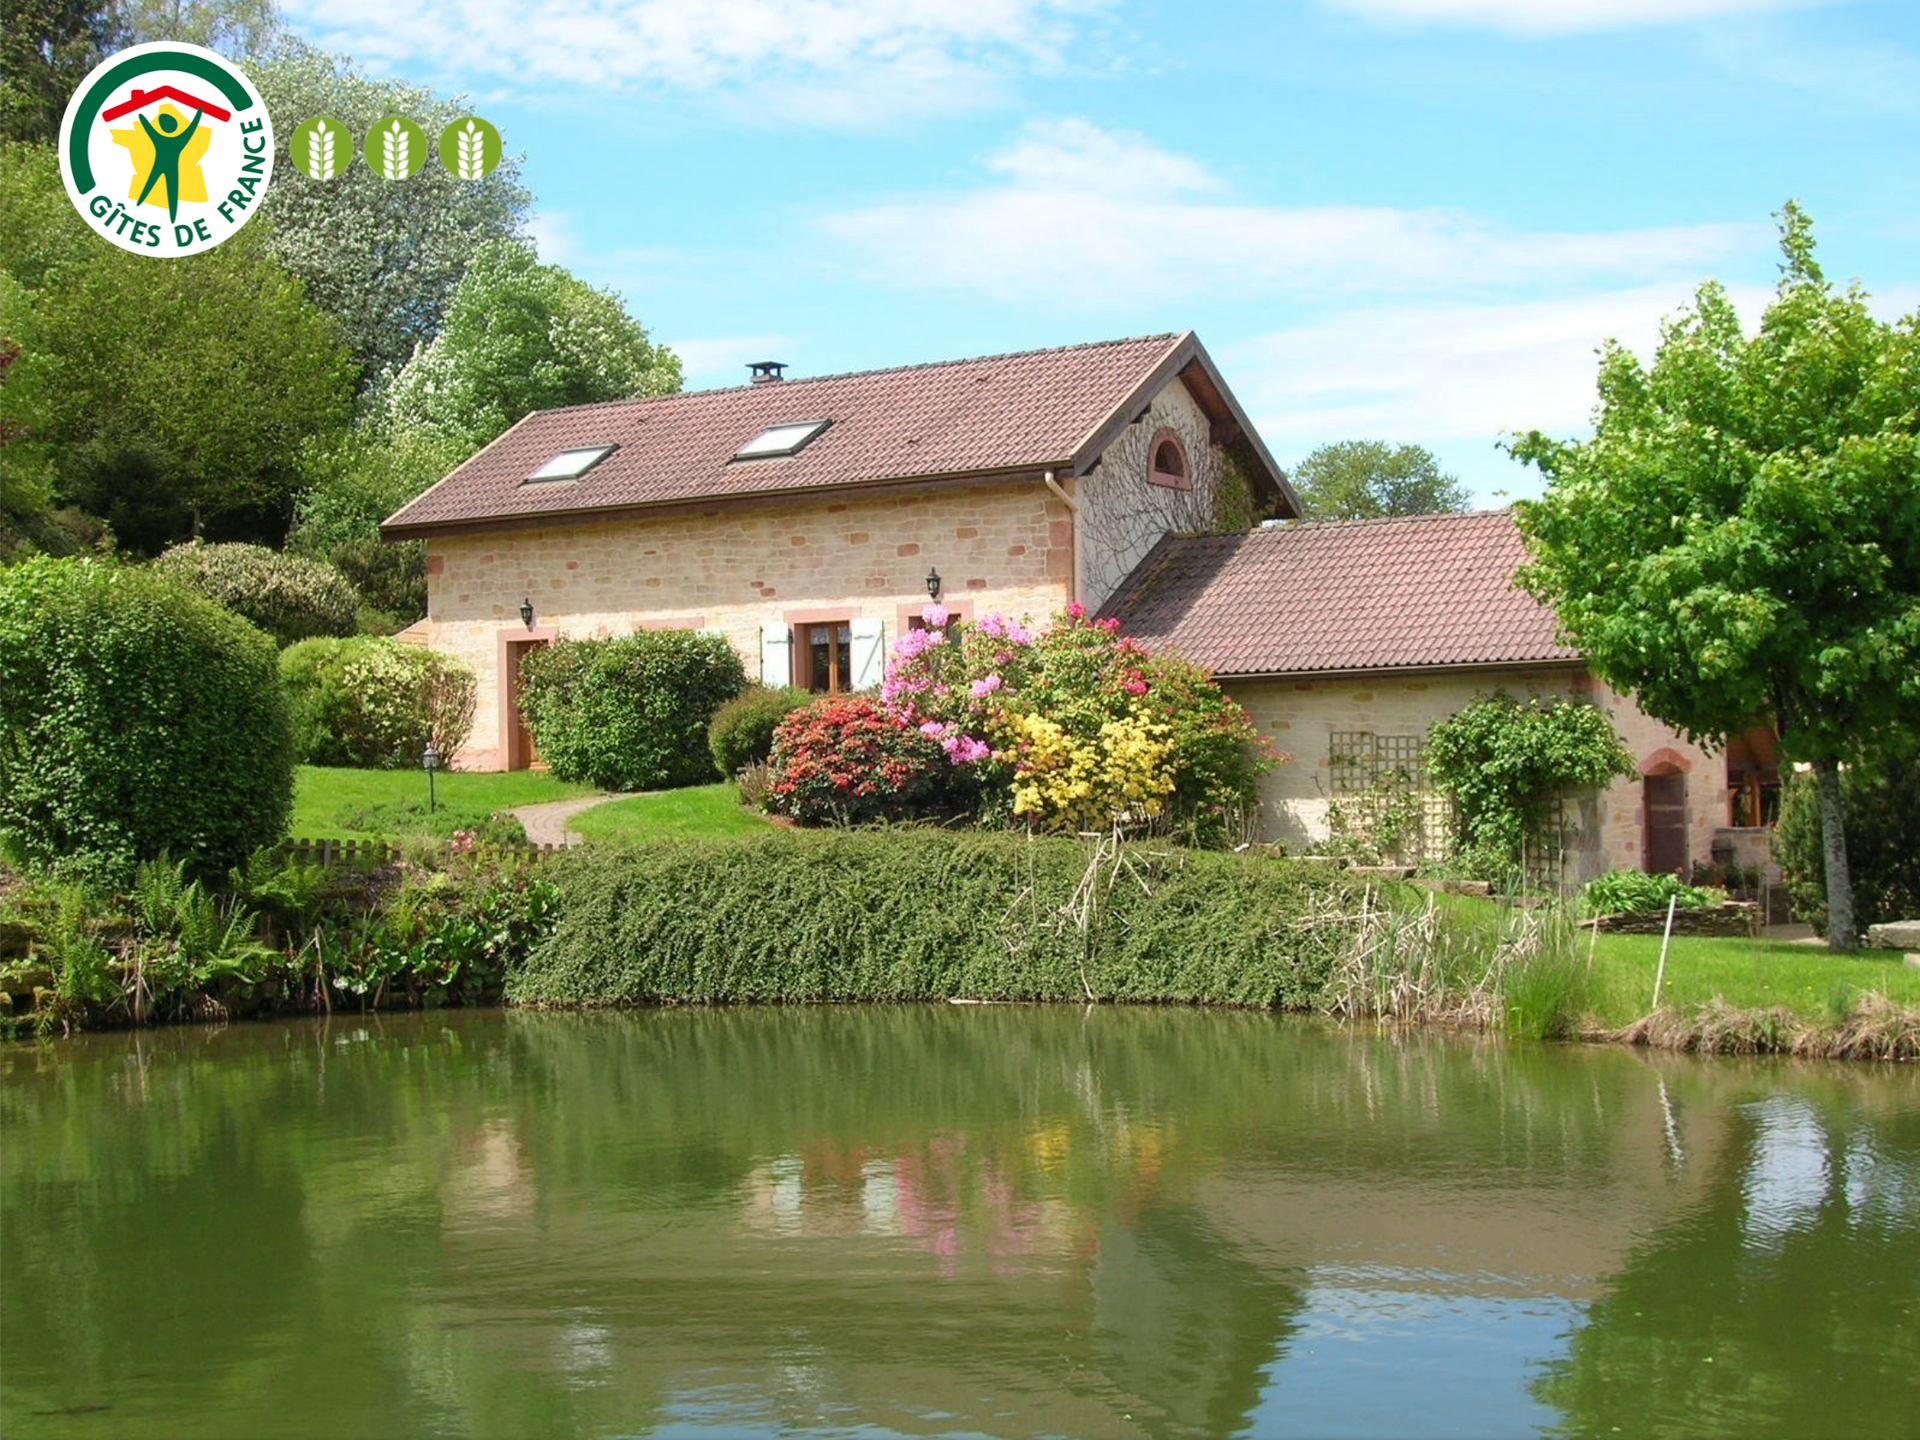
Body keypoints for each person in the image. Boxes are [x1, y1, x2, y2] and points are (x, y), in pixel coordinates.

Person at [135, 107, 203, 224]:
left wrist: (141, 116)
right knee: (172, 194)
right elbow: (192, 127)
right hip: (172, 169)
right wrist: (199, 113)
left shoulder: (158, 137)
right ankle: (172, 218)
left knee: (148, 187)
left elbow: (147, 127)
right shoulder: (180, 140)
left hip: (159, 166)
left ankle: (139, 204)